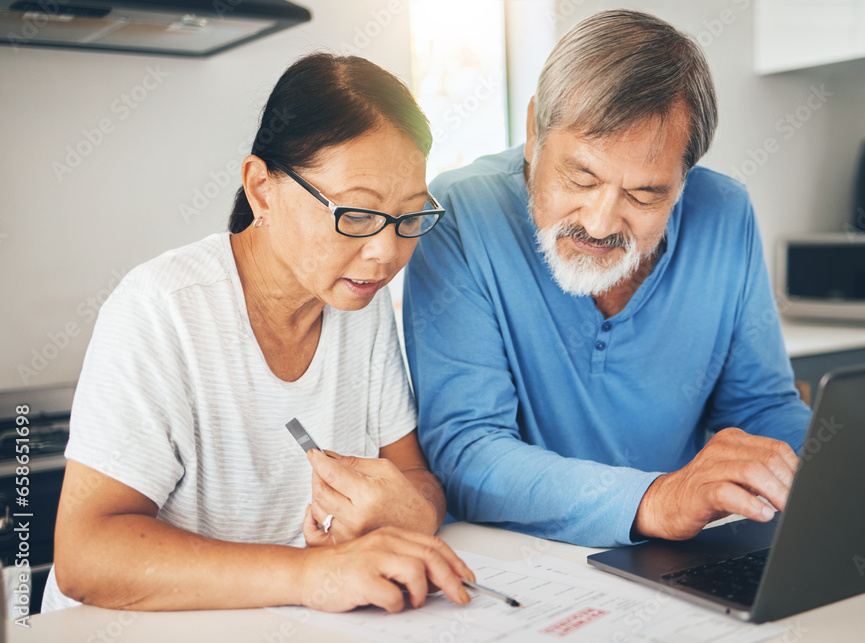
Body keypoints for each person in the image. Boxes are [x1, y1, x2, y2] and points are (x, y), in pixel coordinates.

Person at [42, 53, 475, 614]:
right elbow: (85, 555)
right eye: (357, 214)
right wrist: (314, 575)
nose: (386, 253)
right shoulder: (161, 309)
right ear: (261, 188)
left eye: (410, 216)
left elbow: (414, 476)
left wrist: (415, 511)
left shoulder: (357, 303)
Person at [403, 10, 811, 549]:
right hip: (519, 563)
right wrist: (655, 500)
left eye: (645, 195)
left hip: (677, 553)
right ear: (533, 134)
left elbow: (762, 409)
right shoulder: (458, 214)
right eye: (581, 176)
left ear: (684, 178)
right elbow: (468, 452)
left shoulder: (726, 211)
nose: (599, 222)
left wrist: (840, 475)